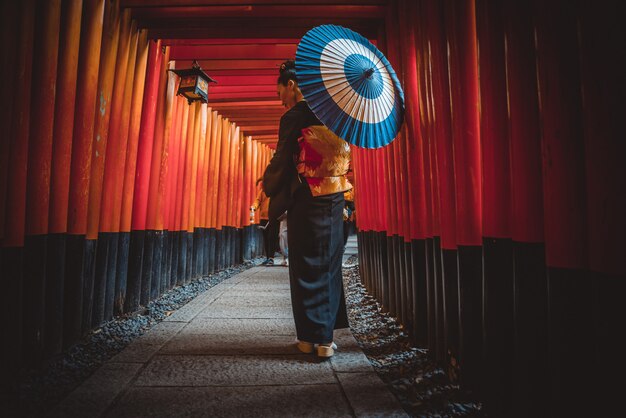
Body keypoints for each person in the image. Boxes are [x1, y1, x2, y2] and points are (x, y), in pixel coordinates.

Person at [263, 60, 352, 358]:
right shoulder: (336, 113)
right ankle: (326, 340)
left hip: (305, 196)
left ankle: (306, 338)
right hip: (335, 195)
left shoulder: (293, 117)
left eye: (280, 92)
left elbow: (282, 159)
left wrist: (269, 184)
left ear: (291, 85)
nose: (280, 98)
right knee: (329, 264)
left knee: (303, 265)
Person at [251, 178, 278, 265]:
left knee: (272, 237)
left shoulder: (276, 192)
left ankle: (271, 257)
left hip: (273, 218)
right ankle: (268, 257)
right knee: (266, 238)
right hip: (263, 218)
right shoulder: (262, 192)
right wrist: (254, 207)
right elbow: (257, 201)